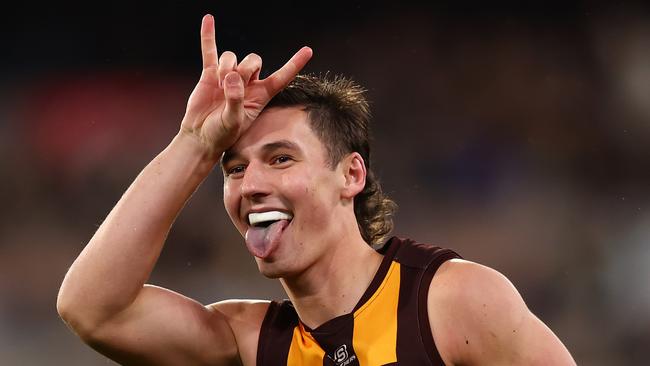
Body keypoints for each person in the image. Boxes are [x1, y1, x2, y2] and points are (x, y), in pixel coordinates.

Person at [57, 14, 576, 365]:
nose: (252, 185)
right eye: (234, 169)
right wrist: (194, 144)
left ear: (351, 176)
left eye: (281, 159)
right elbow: (93, 310)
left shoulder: (453, 301)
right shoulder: (250, 342)